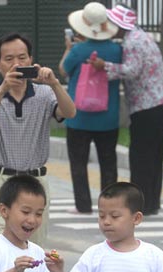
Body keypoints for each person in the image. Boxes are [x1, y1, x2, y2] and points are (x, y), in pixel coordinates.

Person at [0, 32, 76, 247]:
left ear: (31, 60)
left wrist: (55, 85)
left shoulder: (44, 94)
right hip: (0, 180)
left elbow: (69, 112)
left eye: (22, 58)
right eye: (9, 59)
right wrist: (3, 90)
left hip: (34, 181)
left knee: (34, 249)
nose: (16, 64)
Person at [91, 4, 163, 215]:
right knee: (154, 155)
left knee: (141, 156)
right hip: (160, 102)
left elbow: (132, 70)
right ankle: (153, 201)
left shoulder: (132, 43)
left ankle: (142, 204)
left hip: (147, 106)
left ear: (118, 24)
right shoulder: (142, 37)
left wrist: (104, 66)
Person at [60, 1, 122, 215]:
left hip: (79, 117)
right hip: (108, 116)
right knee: (108, 163)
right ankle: (110, 207)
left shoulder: (78, 50)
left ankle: (83, 205)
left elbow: (64, 70)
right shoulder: (117, 50)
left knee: (78, 162)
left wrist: (68, 49)